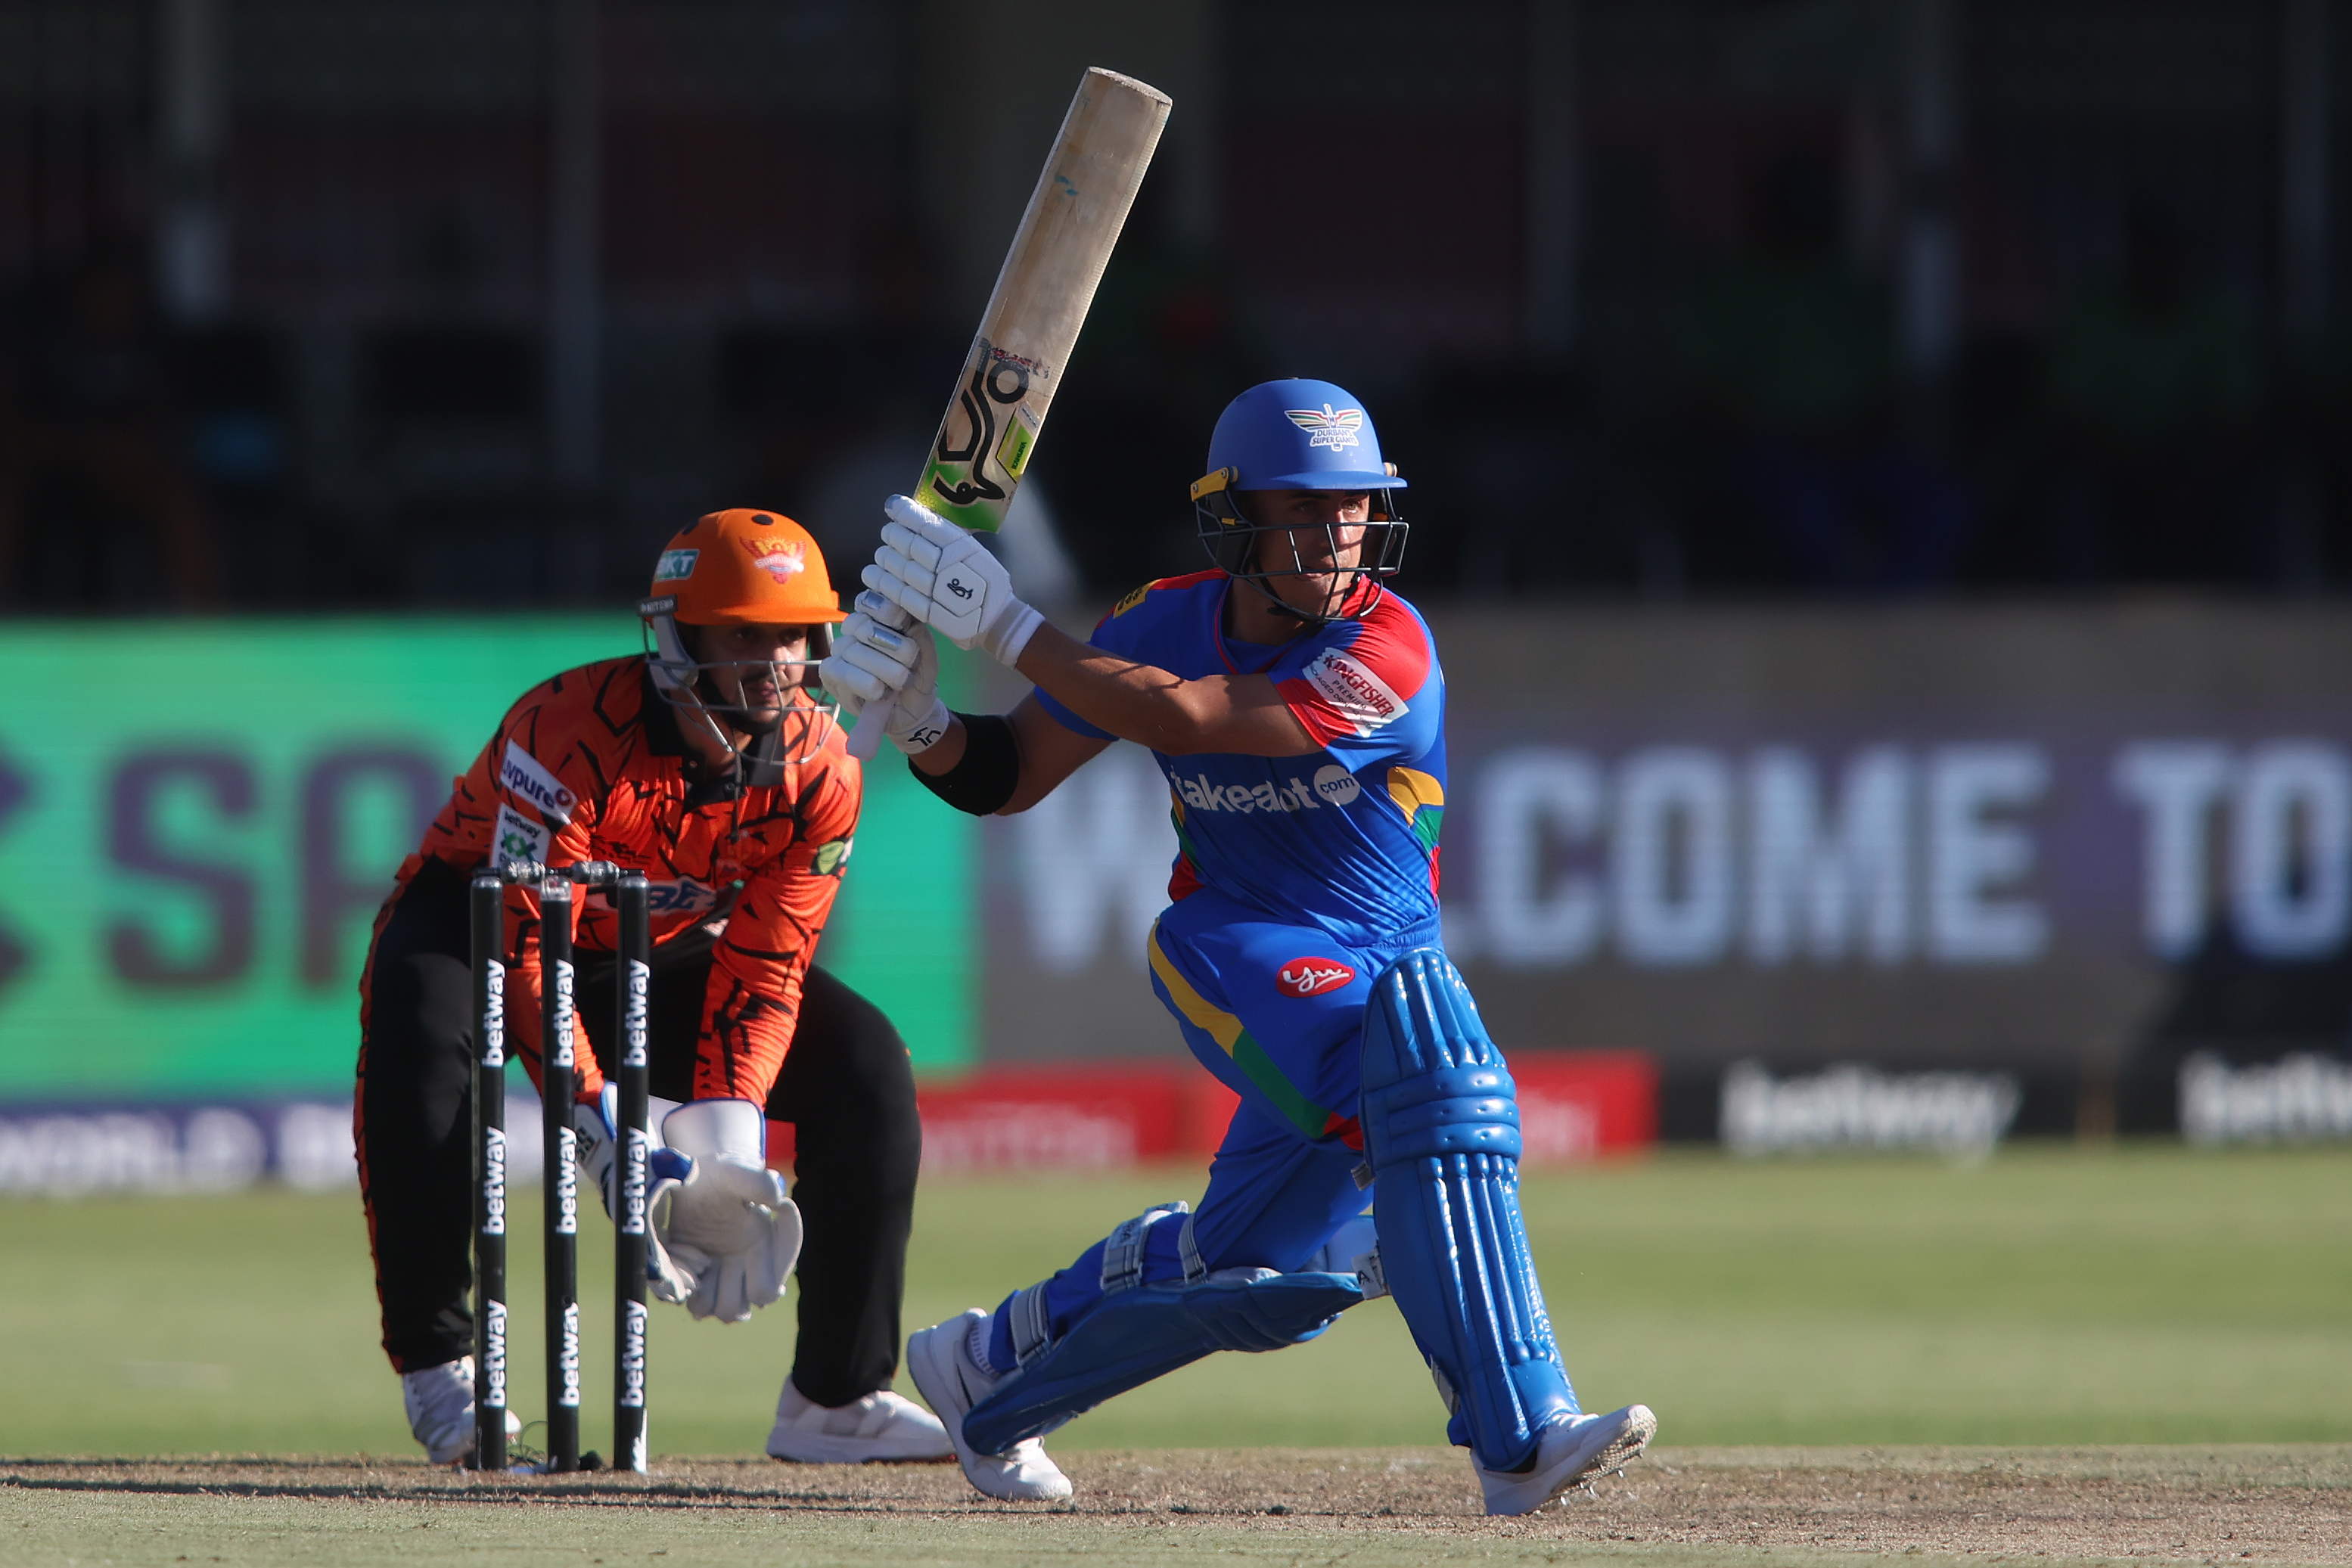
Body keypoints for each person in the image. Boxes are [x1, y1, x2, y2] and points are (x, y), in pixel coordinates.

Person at [821, 380, 1656, 1514]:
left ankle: (990, 1360)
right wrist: (925, 721)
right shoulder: (1157, 622)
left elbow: (1193, 718)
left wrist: (1008, 626)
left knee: (1235, 1260)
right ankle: (1520, 1440)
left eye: (1354, 507)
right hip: (1234, 941)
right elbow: (1006, 776)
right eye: (1304, 508)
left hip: (1381, 972)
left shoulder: (1390, 648)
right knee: (1438, 1094)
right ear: (1235, 518)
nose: (1337, 534)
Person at [355, 509, 949, 1467]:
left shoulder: (823, 769)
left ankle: (836, 1399)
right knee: (423, 1029)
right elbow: (525, 945)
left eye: (791, 636)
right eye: (742, 636)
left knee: (868, 1063)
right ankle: (440, 1367)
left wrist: (726, 1137)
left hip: (655, 950)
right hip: (481, 924)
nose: (774, 664)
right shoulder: (565, 732)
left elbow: (768, 964)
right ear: (677, 641)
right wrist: (604, 1131)